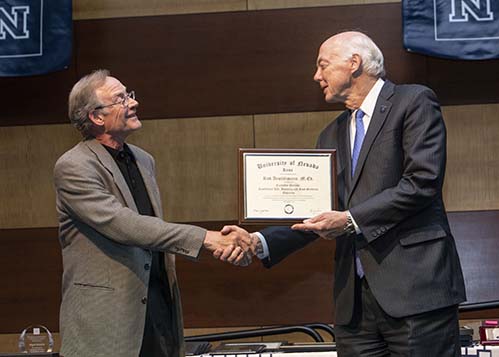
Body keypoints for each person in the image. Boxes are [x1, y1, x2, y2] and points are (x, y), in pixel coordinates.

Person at [219, 31, 466, 356]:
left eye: (323, 65)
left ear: (354, 63)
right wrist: (259, 242)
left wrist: (350, 220)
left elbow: (422, 182)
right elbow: (318, 211)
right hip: (354, 304)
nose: (316, 76)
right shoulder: (330, 134)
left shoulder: (414, 101)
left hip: (415, 290)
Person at [54, 69, 250, 357]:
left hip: (157, 309)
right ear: (96, 117)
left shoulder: (144, 160)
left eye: (129, 94)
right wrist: (206, 239)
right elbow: (123, 225)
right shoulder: (74, 166)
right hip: (106, 320)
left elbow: (151, 231)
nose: (133, 103)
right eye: (121, 99)